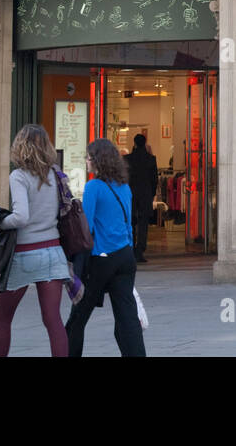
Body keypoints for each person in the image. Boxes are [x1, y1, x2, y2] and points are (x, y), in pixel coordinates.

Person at [0, 124, 69, 357]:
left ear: (20, 147)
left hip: (25, 253)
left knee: (3, 319)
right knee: (53, 320)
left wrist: (0, 222)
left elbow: (21, 217)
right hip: (53, 252)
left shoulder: (19, 176)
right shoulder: (55, 173)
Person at [64, 138, 145, 356]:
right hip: (125, 257)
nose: (86, 161)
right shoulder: (125, 187)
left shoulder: (93, 187)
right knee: (127, 320)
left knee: (77, 319)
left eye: (89, 157)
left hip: (101, 259)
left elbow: (86, 227)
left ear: (98, 160)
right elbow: (128, 225)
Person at [125, 134, 158, 263]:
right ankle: (140, 250)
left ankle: (131, 249)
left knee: (131, 222)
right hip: (145, 194)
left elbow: (124, 178)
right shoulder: (150, 159)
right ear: (145, 143)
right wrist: (152, 193)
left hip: (131, 194)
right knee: (143, 224)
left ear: (134, 143)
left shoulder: (127, 159)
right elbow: (154, 179)